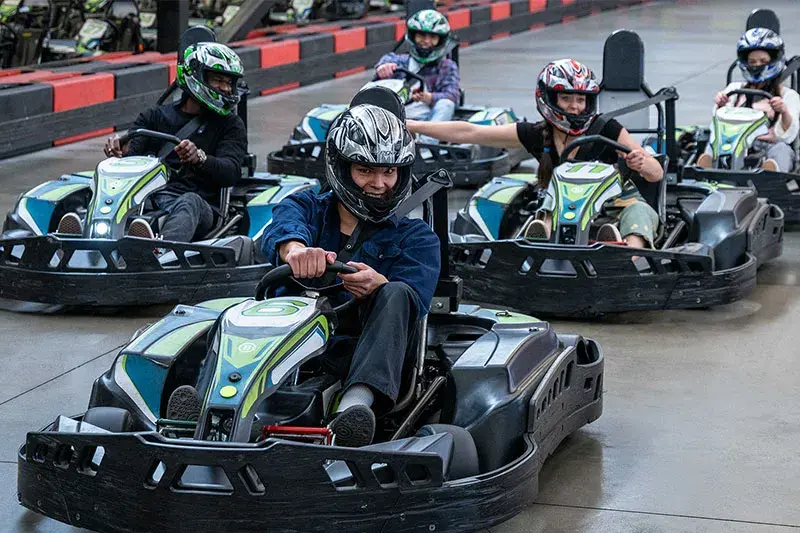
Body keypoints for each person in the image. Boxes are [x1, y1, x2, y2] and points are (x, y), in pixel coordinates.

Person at [168, 103, 441, 447]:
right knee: (232, 311)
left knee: (396, 293)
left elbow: (416, 299)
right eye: (365, 170)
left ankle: (353, 412)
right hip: (287, 341)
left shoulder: (416, 238)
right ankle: (209, 401)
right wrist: (295, 251)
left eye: (388, 171)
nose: (379, 183)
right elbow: (282, 227)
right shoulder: (308, 206)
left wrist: (378, 285)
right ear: (341, 169)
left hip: (360, 348)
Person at [408, 58, 664, 248]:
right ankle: (537, 237)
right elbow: (470, 133)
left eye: (581, 100)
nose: (575, 107)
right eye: (567, 99)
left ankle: (628, 253)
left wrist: (641, 162)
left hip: (612, 207)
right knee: (546, 205)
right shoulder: (537, 133)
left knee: (639, 213)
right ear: (550, 99)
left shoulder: (607, 128)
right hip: (562, 207)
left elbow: (656, 173)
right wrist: (412, 125)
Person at [55, 42, 248, 242]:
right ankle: (82, 233)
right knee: (106, 183)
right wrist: (121, 152)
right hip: (147, 199)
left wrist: (199, 158)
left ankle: (161, 251)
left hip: (201, 207)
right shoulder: (154, 117)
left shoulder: (230, 125)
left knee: (190, 202)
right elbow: (132, 157)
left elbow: (230, 172)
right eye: (218, 80)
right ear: (196, 76)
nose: (225, 88)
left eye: (228, 83)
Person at [697, 28, 799, 172]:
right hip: (733, 142)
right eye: (752, 61)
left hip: (766, 144)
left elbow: (788, 136)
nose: (757, 65)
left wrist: (783, 111)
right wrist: (721, 105)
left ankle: (769, 173)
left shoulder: (788, 96)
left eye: (763, 61)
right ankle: (707, 168)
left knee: (782, 150)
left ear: (774, 59)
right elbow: (717, 125)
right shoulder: (734, 89)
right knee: (713, 144)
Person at [375, 9, 459, 142]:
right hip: (395, 117)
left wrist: (429, 97)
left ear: (440, 40)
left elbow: (452, 95)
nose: (426, 41)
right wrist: (384, 68)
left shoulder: (447, 67)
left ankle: (425, 148)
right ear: (413, 36)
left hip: (426, 120)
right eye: (421, 35)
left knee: (446, 104)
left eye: (432, 37)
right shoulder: (399, 61)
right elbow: (386, 60)